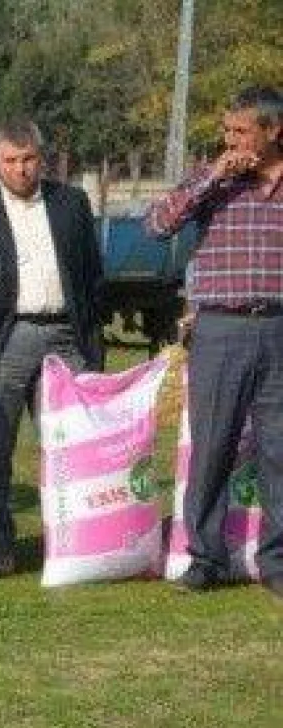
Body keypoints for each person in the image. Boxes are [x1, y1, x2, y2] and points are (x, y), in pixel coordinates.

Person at [145, 85, 283, 599]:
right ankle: (205, 559)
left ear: (274, 131)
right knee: (212, 447)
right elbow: (156, 224)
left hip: (279, 327)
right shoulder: (211, 180)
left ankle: (276, 562)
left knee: (279, 450)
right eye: (227, 130)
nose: (231, 140)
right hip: (219, 329)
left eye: (241, 131)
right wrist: (210, 178)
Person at [0, 119, 105, 575]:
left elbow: (92, 276)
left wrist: (93, 345)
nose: (21, 169)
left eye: (28, 158)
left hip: (66, 336)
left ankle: (76, 544)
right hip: (7, 338)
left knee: (74, 447)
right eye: (10, 160)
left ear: (42, 157)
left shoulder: (72, 203)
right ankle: (0, 546)